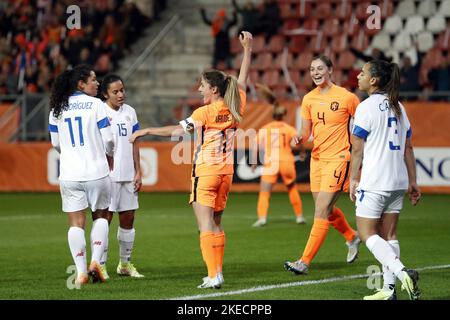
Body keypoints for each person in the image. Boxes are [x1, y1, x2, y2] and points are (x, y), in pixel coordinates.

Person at [130, 31, 253, 289]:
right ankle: (217, 272)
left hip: (206, 171)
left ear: (214, 88)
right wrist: (247, 50)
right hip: (226, 173)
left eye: (202, 85)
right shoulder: (234, 106)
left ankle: (213, 275)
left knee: (204, 226)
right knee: (216, 223)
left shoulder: (204, 112)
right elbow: (241, 81)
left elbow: (177, 131)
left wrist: (146, 130)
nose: (199, 89)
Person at [350, 60, 421, 300]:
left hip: (375, 181)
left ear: (374, 80)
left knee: (367, 234)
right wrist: (413, 181)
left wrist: (352, 179)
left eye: (363, 72)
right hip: (398, 181)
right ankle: (389, 291)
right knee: (390, 235)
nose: (358, 75)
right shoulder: (399, 106)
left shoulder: (366, 107)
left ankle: (403, 274)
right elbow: (408, 148)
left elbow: (357, 150)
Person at [284, 55, 361, 275]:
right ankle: (352, 236)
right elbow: (306, 132)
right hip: (317, 160)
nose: (315, 73)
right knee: (324, 209)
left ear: (330, 70)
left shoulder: (347, 98)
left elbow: (363, 127)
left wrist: (360, 156)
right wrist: (298, 138)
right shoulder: (308, 99)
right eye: (311, 69)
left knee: (321, 210)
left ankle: (304, 262)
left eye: (319, 68)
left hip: (338, 158)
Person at [48, 64, 114, 285]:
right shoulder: (97, 105)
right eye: (93, 79)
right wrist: (109, 155)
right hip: (97, 171)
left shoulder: (57, 108)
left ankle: (81, 272)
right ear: (81, 84)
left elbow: (55, 143)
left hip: (69, 174)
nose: (98, 83)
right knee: (102, 216)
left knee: (76, 223)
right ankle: (96, 262)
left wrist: (70, 154)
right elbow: (109, 140)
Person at [98, 74, 144, 280]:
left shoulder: (130, 112)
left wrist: (138, 170)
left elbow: (135, 142)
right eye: (115, 91)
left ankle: (124, 264)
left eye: (122, 90)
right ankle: (99, 265)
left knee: (128, 218)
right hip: (105, 175)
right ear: (105, 93)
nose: (120, 94)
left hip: (126, 174)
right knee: (104, 220)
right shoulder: (98, 111)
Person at [251, 83, 305, 227]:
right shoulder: (289, 128)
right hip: (286, 161)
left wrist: (254, 162)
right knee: (292, 188)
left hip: (271, 163)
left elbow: (255, 146)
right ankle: (299, 217)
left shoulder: (265, 129)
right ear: (283, 115)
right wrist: (302, 152)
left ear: (272, 115)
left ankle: (262, 218)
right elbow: (299, 142)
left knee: (264, 192)